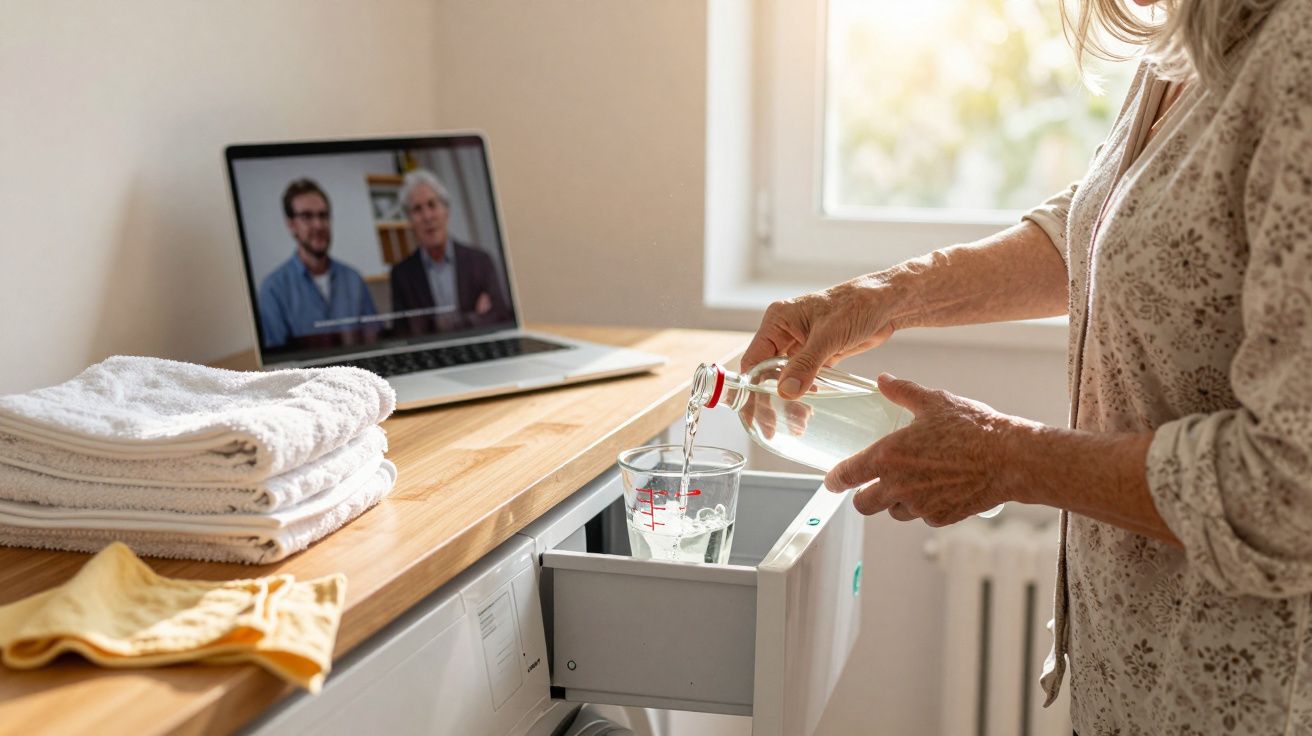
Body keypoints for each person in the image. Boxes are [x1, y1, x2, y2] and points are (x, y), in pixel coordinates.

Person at [743, 0, 1311, 732]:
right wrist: (882, 297)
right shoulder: (1191, 28)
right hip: (1131, 669)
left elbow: (1292, 485)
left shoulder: (1296, 48)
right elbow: (1119, 223)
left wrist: (1008, 458)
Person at [257, 178, 378, 349]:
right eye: (307, 216)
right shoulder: (273, 289)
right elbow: (279, 364)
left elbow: (375, 340)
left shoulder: (354, 279)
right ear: (291, 224)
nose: (318, 225)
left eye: (323, 215)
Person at [388, 169, 511, 334]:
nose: (427, 216)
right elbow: (403, 334)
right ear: (409, 220)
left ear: (446, 211)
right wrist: (473, 318)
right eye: (417, 209)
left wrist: (439, 325)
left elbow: (501, 317)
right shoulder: (401, 275)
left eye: (432, 205)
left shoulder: (481, 261)